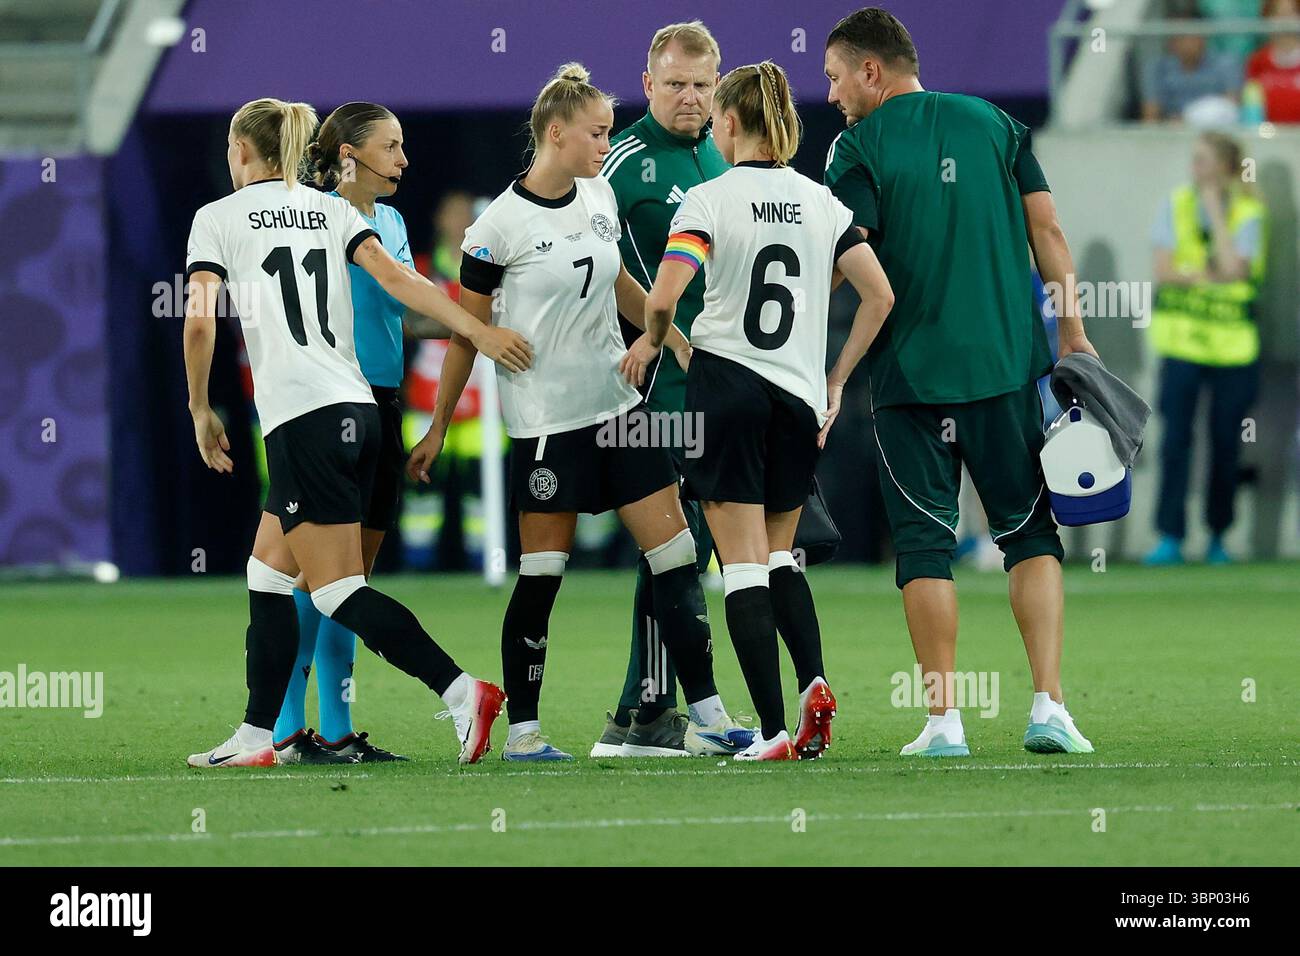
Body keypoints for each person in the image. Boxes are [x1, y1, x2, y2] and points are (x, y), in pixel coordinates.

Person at [407, 65, 753, 762]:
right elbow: (464, 336)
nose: (605, 144)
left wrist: (675, 344)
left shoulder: (599, 196)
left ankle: (710, 718)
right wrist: (440, 424)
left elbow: (626, 283)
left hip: (618, 411)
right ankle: (524, 733)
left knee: (677, 556)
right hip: (546, 428)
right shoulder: (494, 229)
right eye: (595, 132)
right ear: (555, 133)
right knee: (543, 575)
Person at [183, 97, 531, 768]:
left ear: (242, 153)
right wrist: (476, 328)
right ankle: (260, 736)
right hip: (364, 412)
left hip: (302, 417)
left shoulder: (217, 218)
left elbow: (199, 320)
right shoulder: (335, 210)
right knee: (268, 575)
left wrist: (200, 408)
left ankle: (463, 691)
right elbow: (402, 283)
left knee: (338, 589)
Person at [823, 8, 1098, 756]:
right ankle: (1050, 708)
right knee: (1030, 535)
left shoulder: (856, 146)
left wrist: (833, 367)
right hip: (1007, 366)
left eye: (836, 76)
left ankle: (944, 721)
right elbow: (1050, 233)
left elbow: (857, 264)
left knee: (923, 546)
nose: (833, 94)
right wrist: (1072, 331)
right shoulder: (999, 126)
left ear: (871, 72)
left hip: (911, 380)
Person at [640, 61, 893, 760]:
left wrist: (652, 343)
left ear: (726, 122)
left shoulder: (709, 199)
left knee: (741, 566)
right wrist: (837, 379)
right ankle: (813, 680)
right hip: (797, 396)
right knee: (783, 557)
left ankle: (776, 732)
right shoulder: (821, 203)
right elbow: (880, 296)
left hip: (726, 387)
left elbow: (662, 297)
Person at [269, 102, 453, 764]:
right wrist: (479, 320)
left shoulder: (394, 219)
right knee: (314, 578)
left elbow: (403, 309)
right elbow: (400, 289)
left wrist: (479, 328)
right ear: (347, 153)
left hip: (382, 406)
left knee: (351, 581)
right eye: (391, 146)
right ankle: (288, 729)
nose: (403, 160)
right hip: (328, 405)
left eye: (404, 146)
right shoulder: (312, 216)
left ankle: (338, 732)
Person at [589, 20, 733, 759]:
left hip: (719, 384)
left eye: (703, 85)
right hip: (653, 391)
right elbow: (588, 262)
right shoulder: (621, 162)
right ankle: (645, 714)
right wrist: (657, 337)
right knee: (672, 546)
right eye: (675, 84)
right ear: (647, 85)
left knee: (692, 545)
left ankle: (646, 709)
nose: (689, 98)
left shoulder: (720, 153)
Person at [1146, 132, 1267, 565]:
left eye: (1202, 160)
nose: (1194, 167)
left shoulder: (1248, 212)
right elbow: (1163, 270)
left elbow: (1237, 268)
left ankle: (1219, 535)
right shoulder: (1175, 204)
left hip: (1233, 349)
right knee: (1175, 440)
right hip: (1181, 345)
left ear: (1223, 165)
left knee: (1225, 443)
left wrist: (1216, 210)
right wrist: (1210, 272)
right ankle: (1169, 537)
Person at [1140, 3, 1242, 123]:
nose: (1178, 42)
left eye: (1184, 36)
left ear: (1203, 35)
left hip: (1215, 132)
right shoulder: (1157, 68)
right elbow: (1150, 117)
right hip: (1170, 134)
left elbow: (1231, 107)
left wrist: (1187, 119)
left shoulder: (1226, 64)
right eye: (1174, 36)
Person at [1245, 0, 1300, 123]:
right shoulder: (1257, 60)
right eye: (1278, 15)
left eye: (1292, 14)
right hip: (1268, 134)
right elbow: (1251, 106)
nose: (1285, 22)